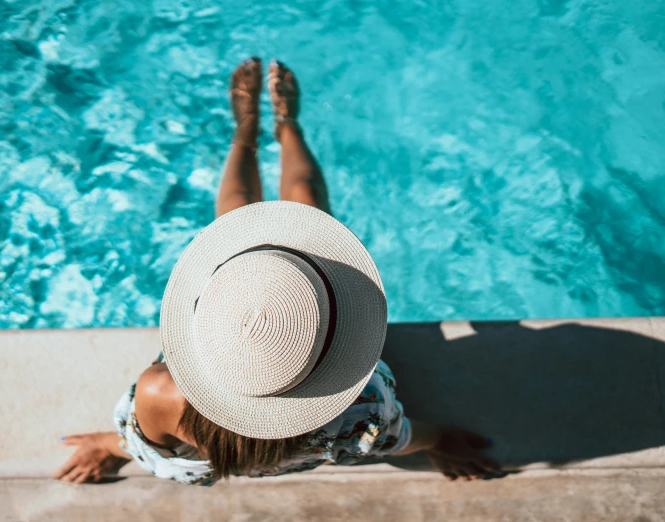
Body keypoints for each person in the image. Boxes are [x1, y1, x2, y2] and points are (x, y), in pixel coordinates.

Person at [52, 57, 502, 486]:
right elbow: (397, 437)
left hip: (232, 388)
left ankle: (245, 132)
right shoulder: (360, 404)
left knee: (235, 213)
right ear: (338, 342)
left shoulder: (160, 392)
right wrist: (440, 440)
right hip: (306, 397)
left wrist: (109, 446)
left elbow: (153, 449)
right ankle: (289, 126)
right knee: (304, 196)